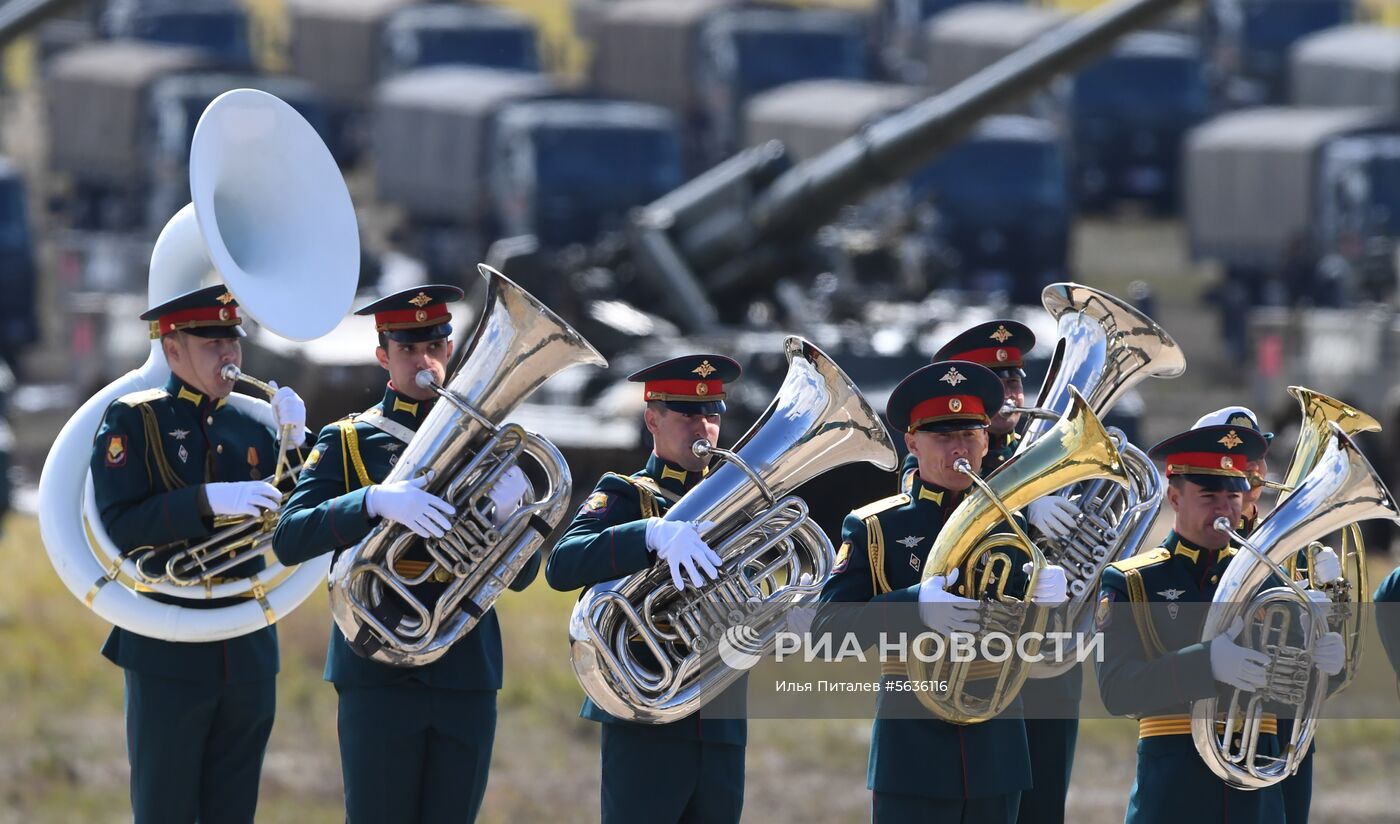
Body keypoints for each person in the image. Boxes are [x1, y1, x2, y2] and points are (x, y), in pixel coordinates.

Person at [271, 285, 533, 824]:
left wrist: (515, 512)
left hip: (464, 669)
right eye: (408, 349)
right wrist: (371, 501)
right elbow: (290, 537)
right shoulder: (349, 440)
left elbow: (523, 575)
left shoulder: (486, 443)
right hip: (377, 670)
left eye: (434, 345)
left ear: (451, 348)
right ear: (383, 356)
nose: (424, 361)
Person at [814, 360, 1070, 823]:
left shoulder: (1013, 523)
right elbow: (825, 631)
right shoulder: (877, 525)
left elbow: (1043, 648)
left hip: (999, 753)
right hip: (911, 754)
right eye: (942, 436)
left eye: (970, 434)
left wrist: (1049, 606)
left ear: (987, 439)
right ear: (912, 441)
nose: (959, 449)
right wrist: (912, 607)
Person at [90, 284, 308, 824]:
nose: (229, 354)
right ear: (172, 349)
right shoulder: (134, 419)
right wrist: (207, 501)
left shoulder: (254, 424)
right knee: (165, 809)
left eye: (233, 340)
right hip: (168, 644)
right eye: (211, 343)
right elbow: (121, 525)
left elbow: (301, 522)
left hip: (248, 644)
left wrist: (300, 443)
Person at [1095, 419, 1345, 824]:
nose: (1224, 508)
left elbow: (1293, 693)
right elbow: (1116, 690)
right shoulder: (1132, 581)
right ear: (1174, 496)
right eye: (1209, 495)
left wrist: (1326, 667)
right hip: (1173, 799)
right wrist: (1205, 663)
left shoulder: (1270, 582)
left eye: (1234, 496)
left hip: (1258, 799)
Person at [546, 354, 746, 824]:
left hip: (719, 716)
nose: (704, 426)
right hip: (645, 711)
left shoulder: (738, 505)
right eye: (688, 414)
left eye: (712, 413)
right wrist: (649, 535)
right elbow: (562, 564)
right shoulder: (626, 495)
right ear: (652, 419)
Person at [915, 320, 1083, 824]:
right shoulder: (949, 464)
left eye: (1015, 378)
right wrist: (1018, 504)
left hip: (1050, 664)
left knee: (1042, 807)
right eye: (995, 379)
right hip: (976, 664)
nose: (1011, 391)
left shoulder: (1050, 457)